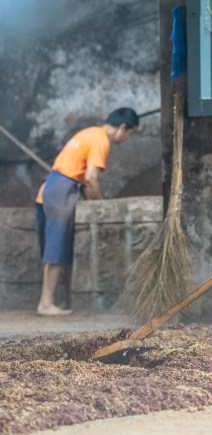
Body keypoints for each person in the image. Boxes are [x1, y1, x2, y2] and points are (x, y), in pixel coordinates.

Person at [35, 108, 139, 315]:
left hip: (50, 188)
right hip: (61, 190)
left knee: (55, 248)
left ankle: (52, 302)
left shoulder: (89, 133)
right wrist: (101, 206)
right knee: (57, 248)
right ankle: (45, 304)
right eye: (130, 133)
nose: (128, 138)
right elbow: (91, 178)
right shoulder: (101, 139)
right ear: (122, 128)